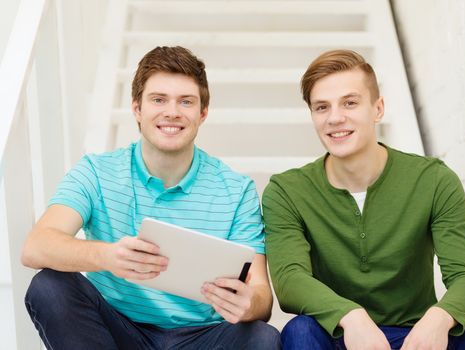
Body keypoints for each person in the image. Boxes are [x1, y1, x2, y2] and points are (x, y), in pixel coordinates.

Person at [21, 45, 280, 350]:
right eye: (159, 100)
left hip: (201, 336)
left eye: (186, 101)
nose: (172, 111)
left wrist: (249, 304)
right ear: (137, 110)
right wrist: (108, 256)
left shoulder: (236, 191)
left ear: (203, 113)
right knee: (49, 287)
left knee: (262, 338)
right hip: (118, 330)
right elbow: (36, 246)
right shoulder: (96, 171)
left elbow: (262, 295)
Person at [262, 49, 465, 350]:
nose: (335, 118)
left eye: (350, 103)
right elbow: (289, 281)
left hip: (416, 336)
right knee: (300, 331)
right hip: (339, 335)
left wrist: (440, 317)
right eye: (322, 107)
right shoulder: (287, 191)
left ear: (378, 108)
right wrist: (349, 316)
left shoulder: (434, 180)